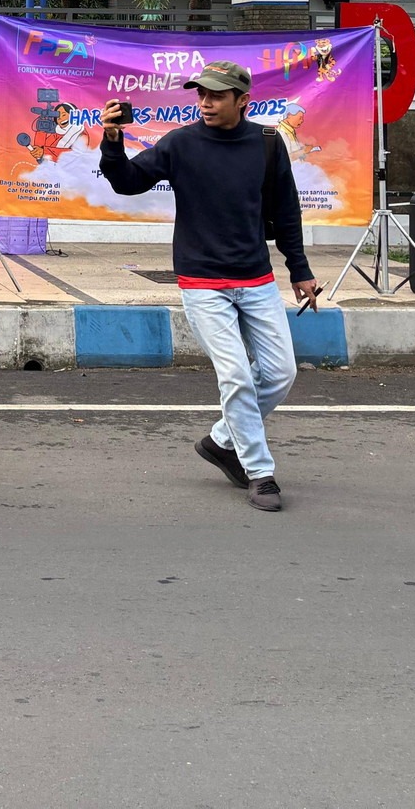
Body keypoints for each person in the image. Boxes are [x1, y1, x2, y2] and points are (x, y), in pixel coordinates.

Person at [100, 60, 318, 512]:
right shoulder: (182, 142)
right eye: (201, 94)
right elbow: (127, 183)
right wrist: (112, 140)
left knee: (282, 373)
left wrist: (299, 270)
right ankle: (260, 473)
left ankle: (221, 441)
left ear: (243, 100)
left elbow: (288, 212)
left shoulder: (267, 142)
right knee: (236, 376)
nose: (205, 102)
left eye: (216, 95)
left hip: (256, 277)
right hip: (202, 282)